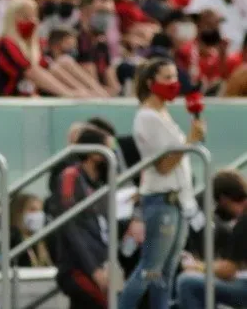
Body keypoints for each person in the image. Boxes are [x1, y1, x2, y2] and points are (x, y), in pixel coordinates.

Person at [118, 57, 206, 309]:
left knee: (165, 274)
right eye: (167, 78)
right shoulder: (147, 116)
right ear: (150, 82)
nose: (174, 83)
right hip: (161, 199)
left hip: (177, 200)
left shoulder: (162, 113)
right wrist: (190, 141)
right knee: (150, 270)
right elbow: (163, 164)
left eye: (175, 77)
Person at [51, 128, 113, 309]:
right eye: (109, 148)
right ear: (95, 153)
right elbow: (71, 228)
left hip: (102, 263)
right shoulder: (71, 176)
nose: (114, 154)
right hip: (78, 267)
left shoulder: (101, 182)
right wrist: (94, 270)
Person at [176, 170, 247, 308]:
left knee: (187, 281)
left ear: (223, 199)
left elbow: (228, 271)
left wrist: (195, 266)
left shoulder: (243, 222)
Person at [9, 193, 53, 267]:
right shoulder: (13, 241)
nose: (38, 215)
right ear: (19, 213)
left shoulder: (45, 241)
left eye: (40, 210)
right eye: (32, 210)